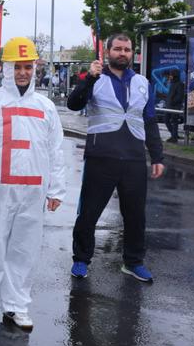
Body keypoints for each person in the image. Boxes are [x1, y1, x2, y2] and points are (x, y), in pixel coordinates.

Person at [0, 37, 66, 331]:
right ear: (6, 67)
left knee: (24, 250)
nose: (22, 72)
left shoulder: (45, 106)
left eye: (27, 67)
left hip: (32, 193)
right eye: (17, 67)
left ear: (34, 68)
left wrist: (56, 189)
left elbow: (54, 150)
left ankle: (16, 306)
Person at [67, 34, 165, 283]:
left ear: (132, 53)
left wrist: (157, 156)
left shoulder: (143, 82)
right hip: (102, 156)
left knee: (135, 215)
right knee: (89, 212)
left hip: (133, 158)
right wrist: (89, 77)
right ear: (107, 51)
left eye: (127, 49)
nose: (123, 53)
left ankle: (133, 262)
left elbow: (150, 121)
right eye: (118, 49)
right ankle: (81, 259)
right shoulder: (95, 78)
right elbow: (73, 104)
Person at [164, 69, 184, 143]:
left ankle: (174, 137)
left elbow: (179, 96)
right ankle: (174, 135)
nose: (170, 76)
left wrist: (172, 102)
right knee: (166, 120)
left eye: (171, 75)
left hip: (175, 106)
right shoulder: (172, 83)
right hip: (169, 106)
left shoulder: (180, 84)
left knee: (174, 122)